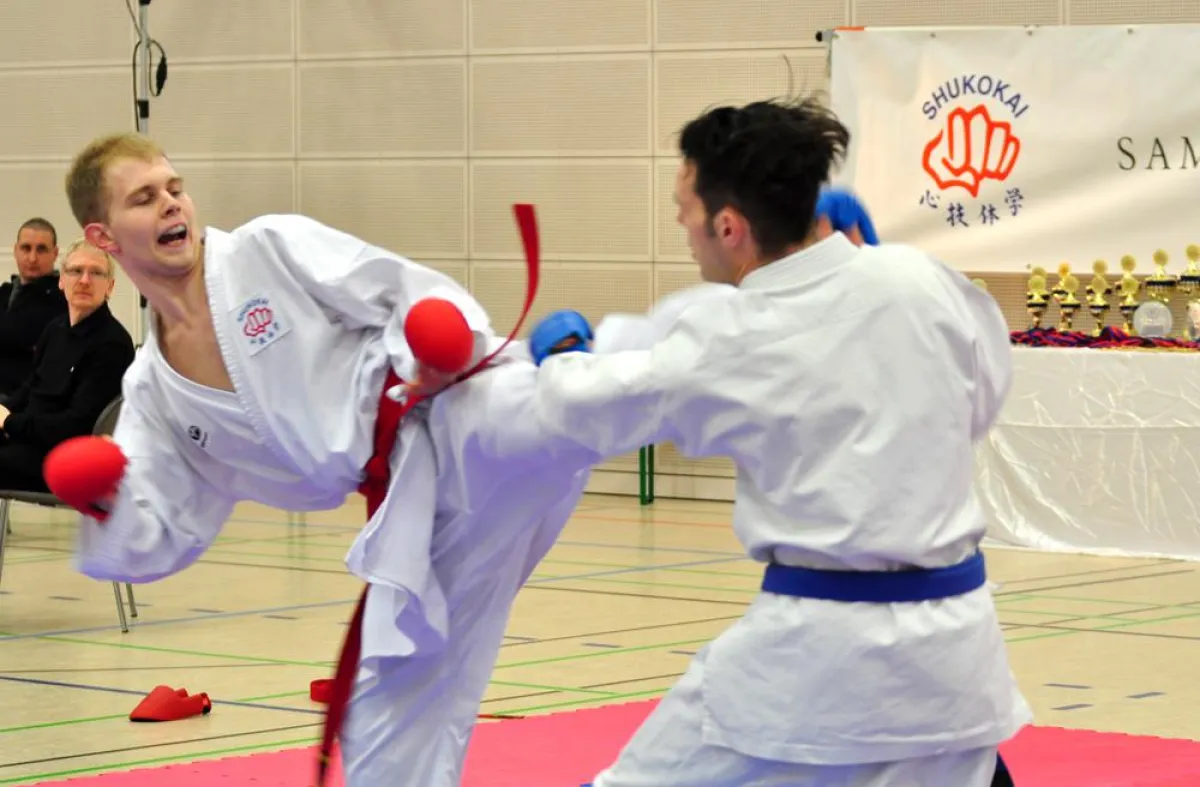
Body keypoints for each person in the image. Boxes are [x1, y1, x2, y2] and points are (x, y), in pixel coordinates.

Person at [57, 131, 705, 786]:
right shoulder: (154, 392)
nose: (172, 204)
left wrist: (439, 342)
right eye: (145, 198)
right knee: (387, 721)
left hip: (446, 414)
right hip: (412, 515)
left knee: (562, 405)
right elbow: (158, 530)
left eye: (175, 187)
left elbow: (400, 288)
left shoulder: (263, 250)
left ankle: (725, 345)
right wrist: (104, 498)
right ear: (103, 236)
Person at [485, 97, 1030, 785]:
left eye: (684, 207)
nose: (681, 224)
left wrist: (562, 357)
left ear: (729, 225)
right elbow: (979, 401)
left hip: (818, 657)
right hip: (957, 656)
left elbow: (587, 407)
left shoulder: (733, 334)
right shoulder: (923, 280)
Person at [0, 239, 134, 491]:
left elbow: (76, 425)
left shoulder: (112, 344)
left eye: (96, 273)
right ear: (62, 280)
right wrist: (3, 410)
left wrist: (10, 423)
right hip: (27, 440)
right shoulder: (55, 329)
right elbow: (30, 389)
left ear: (110, 286)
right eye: (76, 271)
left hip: (62, 456)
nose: (84, 280)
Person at [0, 218, 68, 394]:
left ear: (55, 253)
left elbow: (17, 333)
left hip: (25, 398)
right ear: (15, 250)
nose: (32, 258)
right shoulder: (6, 292)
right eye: (26, 248)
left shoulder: (62, 298)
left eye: (41, 249)